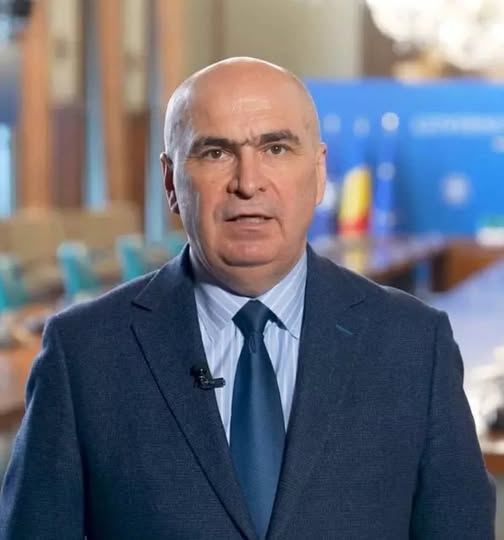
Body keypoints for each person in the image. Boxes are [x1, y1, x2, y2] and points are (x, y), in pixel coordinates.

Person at [0, 57, 495, 539]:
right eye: (216, 153)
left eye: (276, 148)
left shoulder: (415, 344)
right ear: (171, 182)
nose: (248, 182)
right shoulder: (82, 353)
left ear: (319, 172)